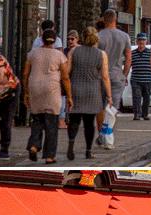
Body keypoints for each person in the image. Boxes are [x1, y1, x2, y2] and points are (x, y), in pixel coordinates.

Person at [23, 28, 71, 163]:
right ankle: (49, 156)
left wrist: (26, 92)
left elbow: (26, 73)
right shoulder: (59, 55)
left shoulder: (32, 53)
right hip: (52, 90)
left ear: (41, 39)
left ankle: (34, 145)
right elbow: (65, 77)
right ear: (55, 41)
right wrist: (69, 96)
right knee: (51, 123)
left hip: (35, 88)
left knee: (37, 119)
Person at [67, 26, 110, 160]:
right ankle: (88, 151)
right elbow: (105, 77)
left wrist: (66, 90)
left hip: (76, 89)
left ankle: (71, 146)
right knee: (89, 123)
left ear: (83, 37)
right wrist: (109, 95)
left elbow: (67, 72)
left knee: (74, 120)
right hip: (92, 92)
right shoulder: (101, 54)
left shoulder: (74, 51)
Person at [97, 9, 131, 112]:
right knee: (113, 109)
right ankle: (109, 127)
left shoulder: (98, 36)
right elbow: (129, 58)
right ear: (115, 19)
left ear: (104, 20)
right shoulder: (124, 36)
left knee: (100, 107)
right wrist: (124, 75)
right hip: (117, 75)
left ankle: (100, 127)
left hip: (100, 76)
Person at [130, 32, 151, 121]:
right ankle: (137, 114)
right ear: (137, 41)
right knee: (136, 97)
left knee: (146, 98)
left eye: (143, 40)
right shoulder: (132, 53)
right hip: (135, 79)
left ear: (146, 42)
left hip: (147, 79)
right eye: (140, 40)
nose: (141, 42)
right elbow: (128, 65)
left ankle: (145, 114)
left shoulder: (150, 53)